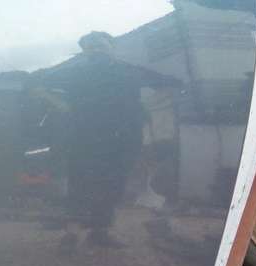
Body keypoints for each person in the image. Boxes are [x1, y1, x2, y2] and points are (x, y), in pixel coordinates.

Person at [25, 31, 180, 250]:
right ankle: (71, 234)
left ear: (112, 47)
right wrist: (61, 105)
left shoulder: (129, 71)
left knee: (113, 185)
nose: (97, 49)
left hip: (123, 140)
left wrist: (145, 107)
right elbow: (33, 84)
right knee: (81, 183)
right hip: (84, 139)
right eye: (91, 46)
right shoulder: (75, 73)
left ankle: (100, 232)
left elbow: (171, 83)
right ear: (85, 51)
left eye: (101, 44)